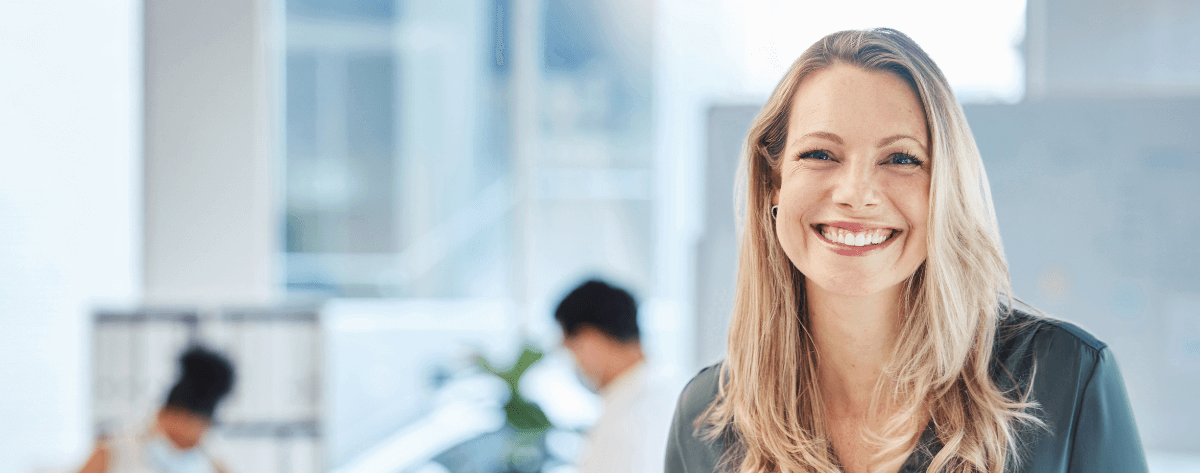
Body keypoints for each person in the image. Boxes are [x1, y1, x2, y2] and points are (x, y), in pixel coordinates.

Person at [665, 28, 1147, 473]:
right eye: (820, 154)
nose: (857, 192)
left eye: (901, 158)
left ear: (944, 191)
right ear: (773, 183)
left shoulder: (1067, 380)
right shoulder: (706, 418)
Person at [555, 279, 677, 473]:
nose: (574, 362)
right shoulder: (667, 392)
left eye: (571, 349)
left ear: (589, 340)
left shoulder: (629, 420)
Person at [78, 345, 236, 473]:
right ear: (165, 414)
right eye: (177, 435)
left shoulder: (213, 464)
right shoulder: (114, 450)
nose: (195, 438)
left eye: (202, 427)